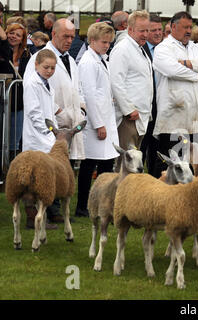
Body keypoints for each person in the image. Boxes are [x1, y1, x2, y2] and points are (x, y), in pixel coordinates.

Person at [24, 18, 87, 222]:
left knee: (56, 170)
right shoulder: (40, 59)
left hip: (61, 124)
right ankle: (36, 214)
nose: (69, 40)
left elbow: (71, 88)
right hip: (44, 131)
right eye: (65, 36)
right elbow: (33, 101)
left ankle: (53, 210)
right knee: (38, 173)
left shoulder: (69, 59)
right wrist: (50, 126)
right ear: (54, 34)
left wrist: (77, 109)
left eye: (72, 36)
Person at [153, 11, 198, 167]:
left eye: (190, 27)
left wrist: (187, 63)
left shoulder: (196, 48)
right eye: (185, 27)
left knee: (192, 165)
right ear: (173, 27)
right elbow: (171, 70)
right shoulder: (163, 48)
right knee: (171, 166)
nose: (189, 31)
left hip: (197, 119)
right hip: (173, 119)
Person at [75, 22, 119, 217]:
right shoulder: (88, 62)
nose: (107, 46)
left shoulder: (101, 59)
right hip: (96, 122)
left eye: (109, 42)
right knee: (89, 165)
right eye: (103, 42)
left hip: (105, 117)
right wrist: (99, 124)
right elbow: (90, 96)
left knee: (106, 164)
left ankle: (103, 203)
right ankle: (83, 206)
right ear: (92, 40)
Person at [22, 49, 61, 229]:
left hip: (46, 135)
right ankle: (33, 218)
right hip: (37, 137)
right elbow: (33, 112)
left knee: (42, 180)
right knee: (34, 180)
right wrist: (48, 131)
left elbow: (48, 107)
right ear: (36, 65)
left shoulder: (46, 83)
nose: (49, 71)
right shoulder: (32, 83)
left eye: (53, 68)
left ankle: (42, 216)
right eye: (46, 67)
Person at [109, 10, 153, 171]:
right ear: (130, 29)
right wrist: (128, 110)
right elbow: (116, 82)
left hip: (140, 116)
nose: (145, 34)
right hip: (129, 119)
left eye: (147, 30)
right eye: (142, 30)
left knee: (134, 165)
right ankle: (118, 195)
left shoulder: (140, 49)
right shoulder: (122, 49)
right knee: (124, 164)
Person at [0, 22, 31, 159]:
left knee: (14, 139)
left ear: (22, 39)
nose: (13, 37)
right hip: (3, 100)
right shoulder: (2, 51)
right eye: (11, 33)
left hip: (18, 103)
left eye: (17, 35)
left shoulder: (26, 56)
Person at [140, 14, 163, 177]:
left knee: (157, 148)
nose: (157, 33)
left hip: (162, 106)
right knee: (142, 146)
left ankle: (154, 182)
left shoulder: (165, 50)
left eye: (160, 29)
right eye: (153, 30)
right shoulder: (140, 49)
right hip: (144, 105)